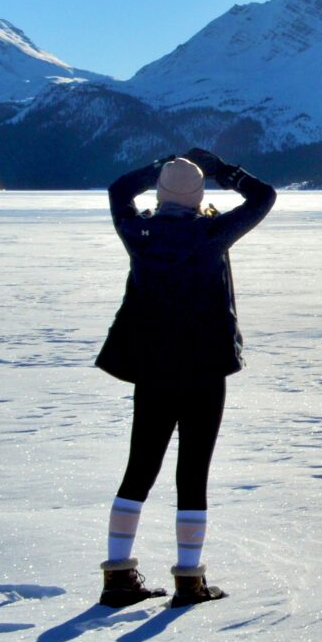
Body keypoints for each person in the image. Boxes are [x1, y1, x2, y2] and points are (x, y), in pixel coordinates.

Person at [94, 147, 277, 609]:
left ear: (159, 194)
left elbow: (118, 189)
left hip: (152, 368)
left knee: (139, 470)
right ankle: (189, 582)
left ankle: (118, 578)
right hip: (204, 370)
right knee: (192, 474)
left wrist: (159, 166)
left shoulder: (139, 232)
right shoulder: (211, 233)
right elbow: (264, 196)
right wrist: (222, 170)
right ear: (198, 197)